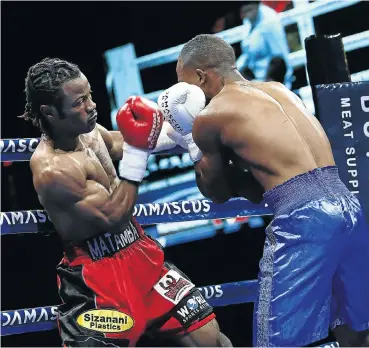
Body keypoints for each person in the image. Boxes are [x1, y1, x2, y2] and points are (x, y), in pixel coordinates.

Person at [157, 34, 369, 347]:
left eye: (183, 81)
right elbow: (271, 181)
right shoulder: (278, 90)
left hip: (304, 222)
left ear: (200, 76)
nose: (181, 91)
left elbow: (215, 192)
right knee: (357, 333)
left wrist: (190, 140)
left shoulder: (210, 118)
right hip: (349, 207)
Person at [21, 57, 232, 347]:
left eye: (90, 96)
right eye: (80, 102)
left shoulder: (91, 133)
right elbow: (113, 215)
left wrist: (182, 129)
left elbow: (127, 141)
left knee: (212, 341)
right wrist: (137, 156)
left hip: (140, 252)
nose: (92, 106)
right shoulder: (53, 169)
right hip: (98, 276)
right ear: (50, 113)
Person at [236, 1, 293, 88]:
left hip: (273, 81)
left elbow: (280, 60)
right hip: (254, 80)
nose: (245, 8)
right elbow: (247, 54)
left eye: (248, 4)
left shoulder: (269, 21)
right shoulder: (248, 21)